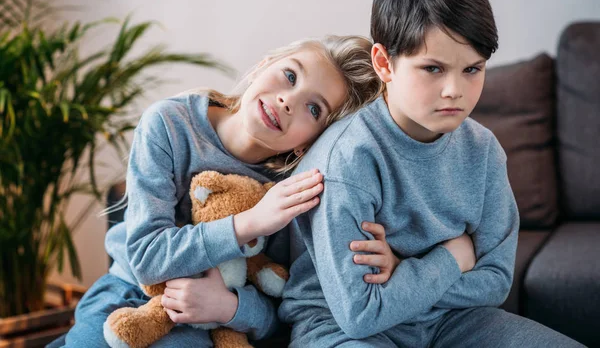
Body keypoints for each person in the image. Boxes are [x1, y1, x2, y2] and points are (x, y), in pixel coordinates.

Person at [279, 0, 585, 347]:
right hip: (343, 331)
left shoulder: (484, 150)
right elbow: (361, 313)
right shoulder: (348, 160)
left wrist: (405, 273)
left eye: (472, 69)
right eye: (433, 69)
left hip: (451, 322)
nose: (454, 90)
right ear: (384, 63)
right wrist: (453, 257)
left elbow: (495, 281)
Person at [48, 35, 384, 347]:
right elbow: (146, 259)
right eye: (290, 76)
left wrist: (230, 307)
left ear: (309, 143)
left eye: (314, 109)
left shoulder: (293, 191)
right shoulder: (170, 124)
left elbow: (283, 313)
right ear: (262, 65)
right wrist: (250, 223)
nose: (287, 101)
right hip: (128, 292)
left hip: (210, 321)